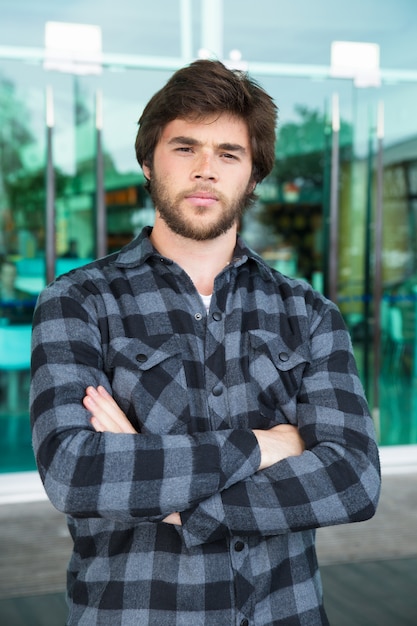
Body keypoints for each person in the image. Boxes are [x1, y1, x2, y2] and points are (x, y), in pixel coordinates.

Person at [30, 59, 381, 626]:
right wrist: (265, 447)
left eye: (228, 153)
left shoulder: (310, 314)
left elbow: (353, 480)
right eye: (185, 148)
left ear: (252, 175)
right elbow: (76, 470)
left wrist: (175, 504)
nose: (206, 170)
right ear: (148, 161)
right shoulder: (79, 302)